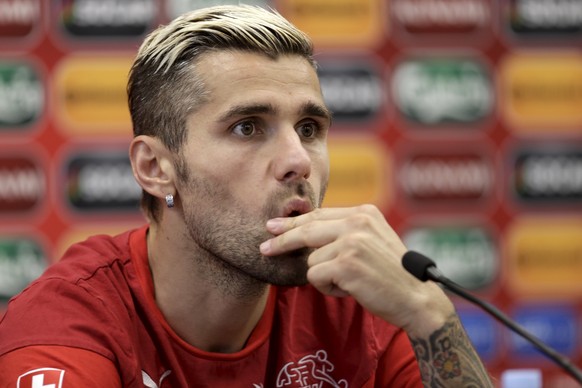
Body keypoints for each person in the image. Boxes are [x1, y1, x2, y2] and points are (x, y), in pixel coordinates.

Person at [0, 5, 492, 387]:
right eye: (247, 127)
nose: (298, 159)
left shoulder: (359, 300)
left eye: (309, 127)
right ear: (155, 168)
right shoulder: (69, 322)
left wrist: (428, 312)